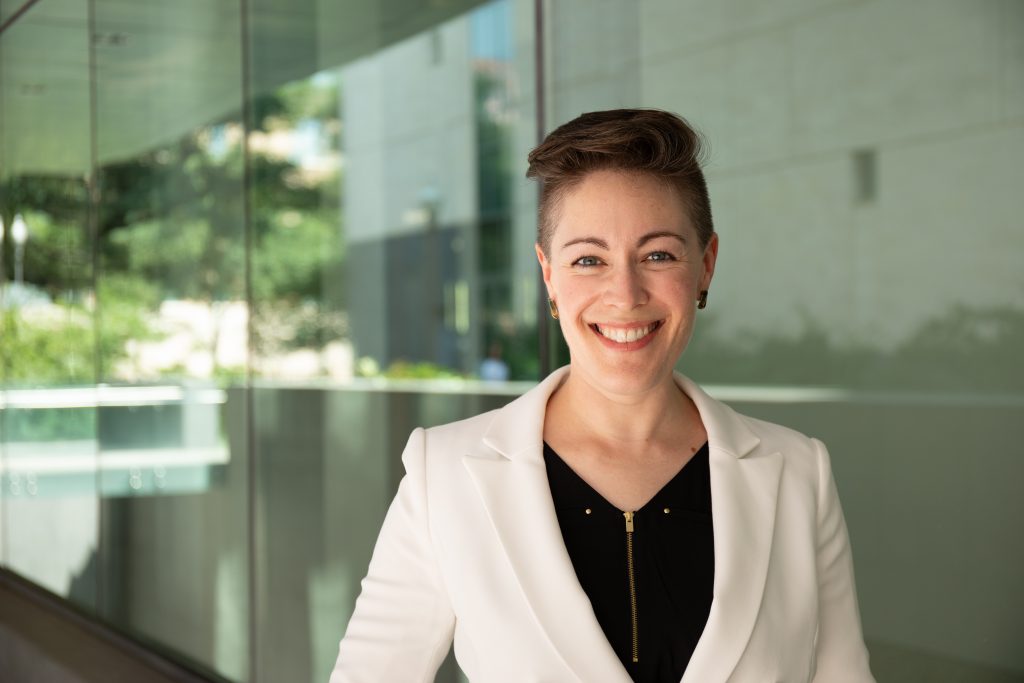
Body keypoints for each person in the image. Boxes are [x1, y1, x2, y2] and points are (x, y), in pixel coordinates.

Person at [330, 109, 874, 682]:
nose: (625, 293)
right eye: (589, 259)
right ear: (548, 275)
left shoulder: (798, 473)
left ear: (706, 265)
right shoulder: (443, 475)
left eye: (659, 255)